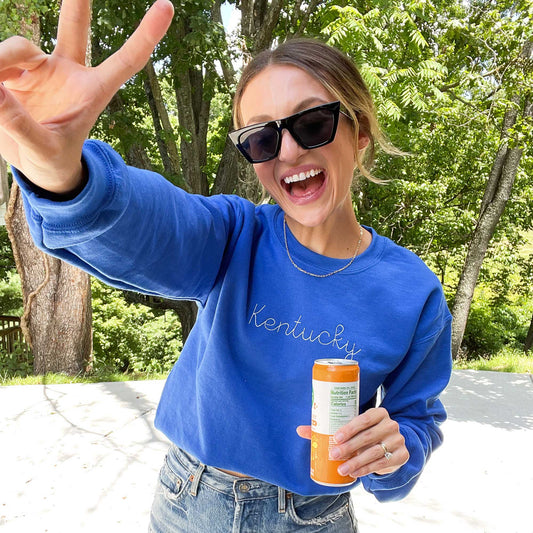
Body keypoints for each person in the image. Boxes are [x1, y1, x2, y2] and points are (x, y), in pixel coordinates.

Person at [0, 0, 452, 531]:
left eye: (311, 122)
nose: (286, 151)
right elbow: (151, 226)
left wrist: (395, 453)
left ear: (359, 132)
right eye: (260, 138)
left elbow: (414, 423)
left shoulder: (413, 292)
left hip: (314, 518)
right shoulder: (234, 237)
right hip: (187, 502)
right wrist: (66, 176)